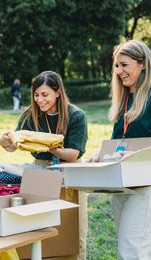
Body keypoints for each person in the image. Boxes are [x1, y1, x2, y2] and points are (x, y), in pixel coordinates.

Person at [0, 71, 88, 260]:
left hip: (70, 171)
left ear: (58, 93)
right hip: (39, 168)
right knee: (39, 224)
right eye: (36, 94)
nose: (40, 100)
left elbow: (72, 154)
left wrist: (47, 144)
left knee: (74, 226)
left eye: (45, 95)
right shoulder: (30, 115)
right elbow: (13, 147)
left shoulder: (76, 116)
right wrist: (6, 141)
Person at [87, 40, 151, 259]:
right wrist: (99, 154)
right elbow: (119, 140)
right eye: (116, 66)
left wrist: (141, 153)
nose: (118, 71)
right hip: (122, 182)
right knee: (133, 246)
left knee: (131, 248)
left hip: (146, 183)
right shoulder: (124, 99)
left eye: (124, 65)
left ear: (142, 64)